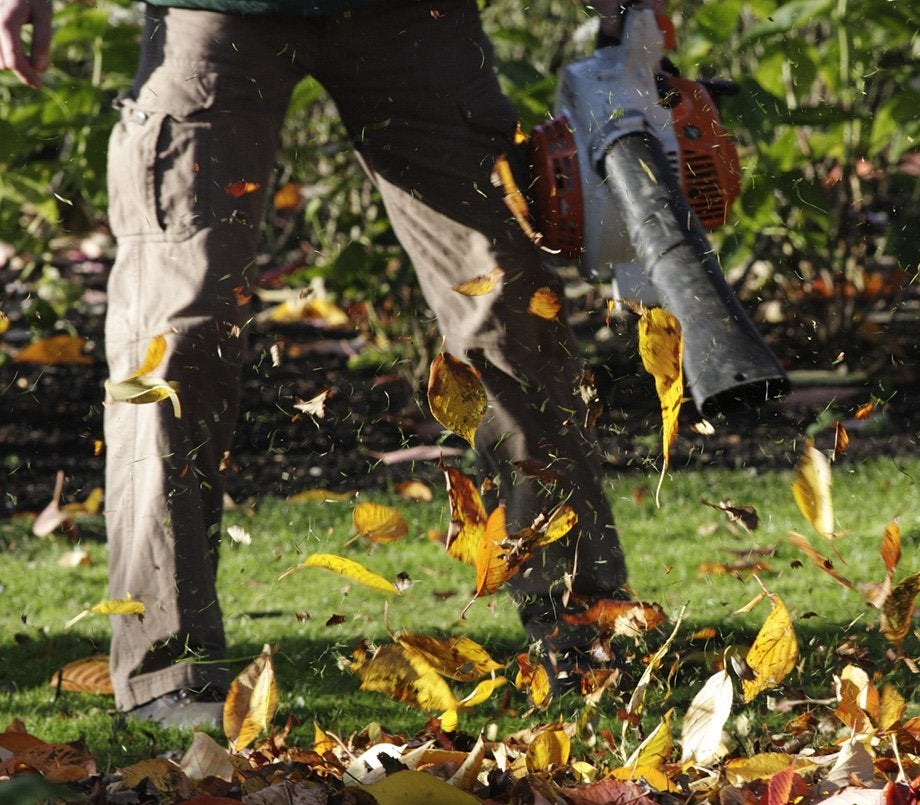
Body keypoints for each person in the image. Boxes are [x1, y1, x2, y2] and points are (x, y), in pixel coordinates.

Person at [1, 0, 631, 727]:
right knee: (174, 335)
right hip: (213, 14)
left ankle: (587, 638)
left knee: (512, 311)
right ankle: (167, 676)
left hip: (414, 15)